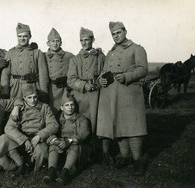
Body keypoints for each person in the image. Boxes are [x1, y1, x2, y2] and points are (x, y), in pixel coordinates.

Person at [97, 21, 148, 176]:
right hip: (112, 95)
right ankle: (125, 157)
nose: (116, 36)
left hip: (130, 94)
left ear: (125, 31)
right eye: (113, 34)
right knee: (119, 124)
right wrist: (100, 79)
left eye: (118, 32)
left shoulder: (137, 49)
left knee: (133, 127)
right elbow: (104, 71)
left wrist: (127, 76)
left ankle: (137, 161)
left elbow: (143, 69)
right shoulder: (110, 52)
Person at [0, 84, 58, 175]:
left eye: (35, 97)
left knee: (41, 150)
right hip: (22, 138)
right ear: (24, 98)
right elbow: (9, 127)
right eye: (29, 98)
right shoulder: (19, 108)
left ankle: (33, 165)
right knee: (3, 138)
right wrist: (24, 140)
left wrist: (40, 136)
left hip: (38, 139)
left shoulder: (45, 107)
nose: (33, 100)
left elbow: (53, 124)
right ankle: (20, 164)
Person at [67, 27, 105, 160]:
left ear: (92, 40)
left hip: (97, 94)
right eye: (81, 40)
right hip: (80, 96)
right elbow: (70, 80)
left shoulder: (100, 57)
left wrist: (100, 81)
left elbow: (105, 73)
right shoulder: (75, 59)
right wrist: (83, 85)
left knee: (97, 122)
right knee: (82, 123)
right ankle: (81, 151)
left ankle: (97, 151)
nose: (84, 43)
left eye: (87, 40)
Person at [43, 92, 90, 185]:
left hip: (75, 146)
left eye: (72, 105)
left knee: (75, 145)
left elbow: (84, 132)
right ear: (61, 108)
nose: (70, 107)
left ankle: (65, 172)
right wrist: (55, 140)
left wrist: (69, 140)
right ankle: (51, 170)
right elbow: (49, 131)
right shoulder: (56, 118)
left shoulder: (81, 118)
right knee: (53, 145)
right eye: (67, 105)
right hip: (60, 145)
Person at [1, 23, 49, 101]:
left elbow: (43, 75)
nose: (22, 39)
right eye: (19, 36)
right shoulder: (10, 52)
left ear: (30, 36)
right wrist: (5, 92)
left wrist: (44, 92)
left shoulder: (37, 52)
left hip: (33, 86)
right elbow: (5, 74)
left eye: (25, 36)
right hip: (16, 87)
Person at [45, 28, 74, 114]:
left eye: (57, 41)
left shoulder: (69, 56)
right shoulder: (43, 56)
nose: (55, 43)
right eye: (52, 41)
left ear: (61, 42)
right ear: (48, 43)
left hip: (65, 89)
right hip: (52, 89)